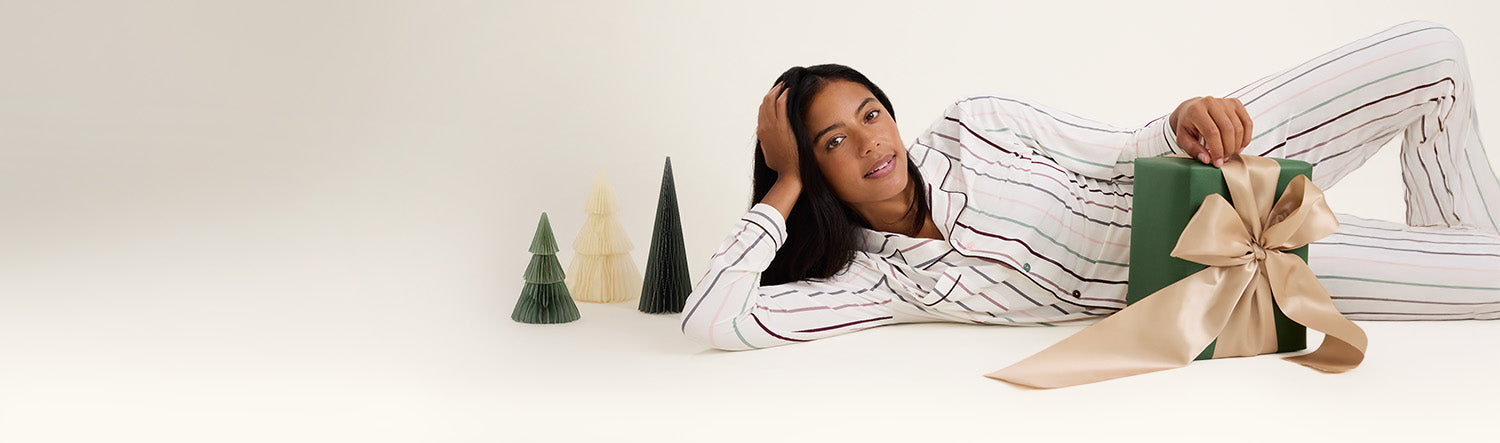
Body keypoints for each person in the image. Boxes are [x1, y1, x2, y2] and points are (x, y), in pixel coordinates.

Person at [680, 20, 1500, 351]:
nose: (868, 140)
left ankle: (1454, 249)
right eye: (831, 140)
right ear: (815, 171)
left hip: (1202, 168)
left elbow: (1115, 150)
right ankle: (1464, 260)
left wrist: (1182, 119)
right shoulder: (880, 282)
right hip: (1222, 271)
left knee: (1435, 55)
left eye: (870, 113)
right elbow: (714, 319)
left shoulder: (976, 123)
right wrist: (780, 184)